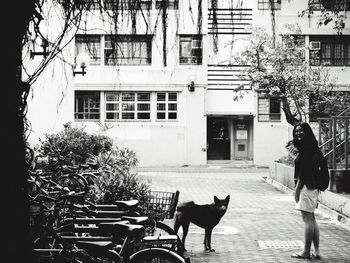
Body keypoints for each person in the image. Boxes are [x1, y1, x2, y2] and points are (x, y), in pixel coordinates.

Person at [291, 122, 323, 260]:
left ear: (307, 132)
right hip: (312, 186)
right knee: (312, 218)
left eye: (301, 130)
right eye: (296, 131)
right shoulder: (311, 146)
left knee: (307, 219)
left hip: (307, 186)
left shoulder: (307, 149)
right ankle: (317, 251)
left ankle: (306, 251)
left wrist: (297, 189)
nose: (298, 133)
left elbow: (304, 171)